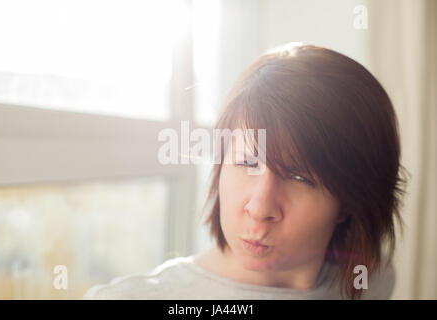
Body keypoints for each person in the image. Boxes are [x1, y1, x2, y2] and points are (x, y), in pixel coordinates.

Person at [84, 43, 407, 300]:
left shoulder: (371, 279)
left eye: (300, 177)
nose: (258, 207)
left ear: (350, 201)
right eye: (247, 162)